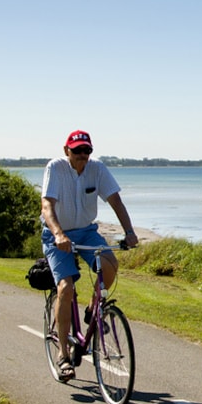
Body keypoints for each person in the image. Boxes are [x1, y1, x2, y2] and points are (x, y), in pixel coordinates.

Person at [40, 130, 139, 382]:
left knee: (110, 265)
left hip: (86, 232)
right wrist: (59, 234)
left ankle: (92, 310)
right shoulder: (56, 168)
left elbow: (115, 201)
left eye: (87, 151)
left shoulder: (97, 169)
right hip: (57, 234)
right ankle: (63, 356)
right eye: (77, 151)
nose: (83, 156)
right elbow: (47, 205)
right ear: (67, 151)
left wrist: (129, 232)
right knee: (66, 287)